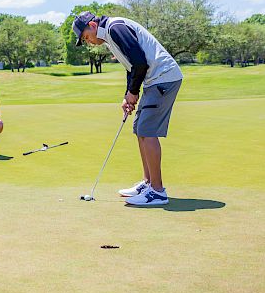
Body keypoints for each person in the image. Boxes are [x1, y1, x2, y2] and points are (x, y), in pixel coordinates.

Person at [72, 11, 183, 206]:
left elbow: (140, 62)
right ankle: (148, 183)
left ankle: (157, 192)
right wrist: (128, 94)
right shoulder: (109, 35)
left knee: (147, 131)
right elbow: (131, 67)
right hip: (154, 80)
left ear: (92, 25)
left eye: (86, 37)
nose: (88, 42)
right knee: (140, 128)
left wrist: (133, 91)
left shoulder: (115, 28)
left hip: (163, 77)